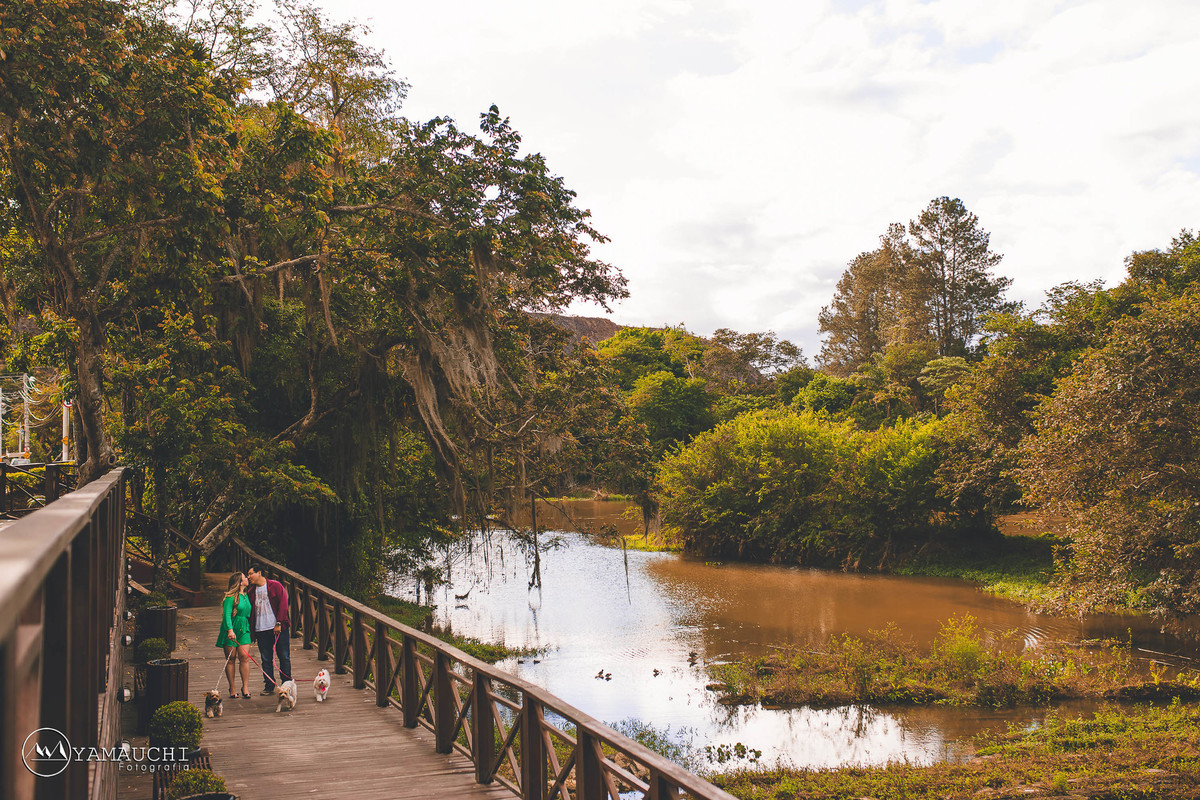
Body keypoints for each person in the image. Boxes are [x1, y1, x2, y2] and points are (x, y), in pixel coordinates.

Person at [246, 564, 292, 695]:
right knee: (266, 659)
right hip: (261, 629)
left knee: (284, 656)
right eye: (248, 575)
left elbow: (284, 604)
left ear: (259, 572)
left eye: (251, 574)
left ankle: (287, 684)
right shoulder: (251, 592)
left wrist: (279, 622)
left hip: (278, 628)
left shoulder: (275, 585)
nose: (249, 577)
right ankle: (269, 685)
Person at [216, 572, 252, 698]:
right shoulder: (230, 597)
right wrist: (230, 630)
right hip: (232, 627)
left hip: (244, 627)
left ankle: (245, 687)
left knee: (245, 657)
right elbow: (226, 615)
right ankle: (232, 687)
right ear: (240, 582)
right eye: (245, 577)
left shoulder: (246, 596)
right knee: (231, 658)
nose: (247, 578)